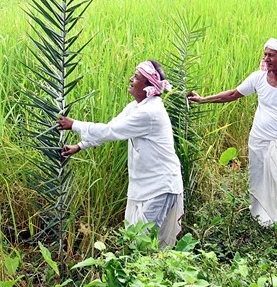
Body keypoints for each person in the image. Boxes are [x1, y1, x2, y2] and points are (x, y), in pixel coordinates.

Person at [187, 38, 277, 226]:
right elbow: (232, 95)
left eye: (271, 55)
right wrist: (203, 99)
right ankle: (265, 221)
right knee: (260, 183)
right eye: (265, 54)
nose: (266, 58)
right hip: (260, 140)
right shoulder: (258, 78)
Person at [58, 60, 184, 248]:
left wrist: (74, 124)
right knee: (136, 238)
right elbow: (112, 127)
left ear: (148, 86)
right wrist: (80, 146)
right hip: (146, 185)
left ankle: (149, 276)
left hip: (160, 186)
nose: (131, 79)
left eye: (137, 77)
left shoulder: (150, 112)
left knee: (143, 242)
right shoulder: (136, 107)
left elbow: (110, 131)